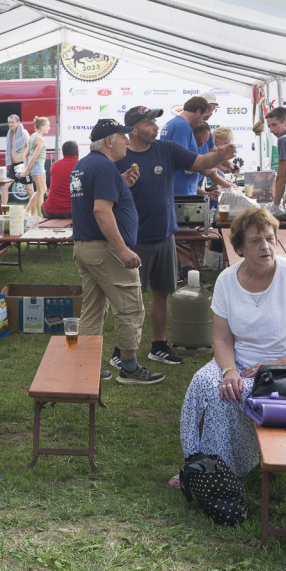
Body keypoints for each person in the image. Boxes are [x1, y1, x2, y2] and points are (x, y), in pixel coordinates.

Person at [177, 207, 286, 481]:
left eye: (270, 238)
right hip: (240, 362)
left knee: (230, 395)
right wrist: (229, 370)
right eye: (256, 241)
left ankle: (227, 470)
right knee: (203, 383)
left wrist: (277, 363)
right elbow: (221, 338)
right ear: (240, 248)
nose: (266, 246)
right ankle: (198, 465)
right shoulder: (227, 280)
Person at [114, 105, 236, 367]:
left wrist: (218, 156)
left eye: (155, 122)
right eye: (149, 123)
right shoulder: (118, 157)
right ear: (134, 129)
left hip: (164, 234)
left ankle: (158, 345)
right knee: (128, 298)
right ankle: (122, 349)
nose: (156, 127)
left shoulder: (166, 149)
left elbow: (201, 163)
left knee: (162, 293)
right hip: (132, 239)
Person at [70, 118, 164, 386]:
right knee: (130, 307)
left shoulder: (84, 165)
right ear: (110, 141)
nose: (128, 140)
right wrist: (122, 250)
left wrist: (120, 184)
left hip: (85, 247)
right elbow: (100, 210)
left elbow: (93, 199)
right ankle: (130, 369)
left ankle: (86, 365)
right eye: (124, 137)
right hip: (105, 249)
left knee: (93, 308)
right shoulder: (103, 168)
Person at [159, 96, 208, 194]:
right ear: (198, 112)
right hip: (181, 189)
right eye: (202, 117)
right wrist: (205, 168)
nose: (201, 121)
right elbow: (182, 160)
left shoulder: (171, 123)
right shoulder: (182, 126)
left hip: (175, 186)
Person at [42, 141, 78, 219]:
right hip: (72, 211)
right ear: (77, 152)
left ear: (63, 153)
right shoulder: (80, 165)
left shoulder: (54, 165)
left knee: (43, 206)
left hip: (51, 211)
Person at [24, 116, 49, 216]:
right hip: (37, 165)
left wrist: (27, 168)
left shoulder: (33, 136)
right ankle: (40, 214)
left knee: (42, 190)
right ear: (42, 127)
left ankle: (27, 211)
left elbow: (27, 155)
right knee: (41, 191)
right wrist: (27, 170)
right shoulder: (40, 139)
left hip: (38, 165)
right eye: (47, 125)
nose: (49, 128)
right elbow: (34, 157)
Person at [2, 114, 28, 206]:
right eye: (9, 122)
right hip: (14, 165)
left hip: (23, 165)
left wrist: (27, 166)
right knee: (4, 186)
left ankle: (33, 212)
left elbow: (30, 147)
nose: (10, 124)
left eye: (13, 122)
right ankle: (3, 209)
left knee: (30, 189)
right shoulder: (10, 133)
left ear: (18, 122)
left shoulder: (23, 132)